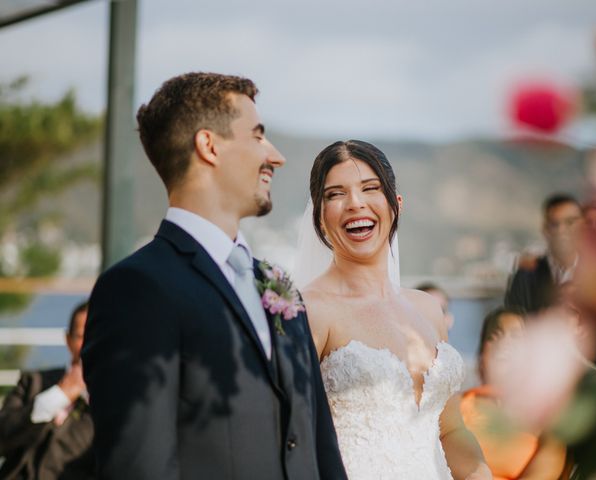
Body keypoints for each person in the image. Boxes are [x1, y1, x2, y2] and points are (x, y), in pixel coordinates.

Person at [81, 73, 346, 480]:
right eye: (258, 136)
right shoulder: (137, 290)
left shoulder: (276, 285)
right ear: (208, 146)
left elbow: (320, 448)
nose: (276, 156)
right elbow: (139, 467)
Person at [297, 140, 490, 479]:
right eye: (336, 194)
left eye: (370, 189)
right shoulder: (311, 311)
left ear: (396, 205)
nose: (355, 204)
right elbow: (293, 440)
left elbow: (450, 430)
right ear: (319, 218)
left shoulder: (428, 309)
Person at [460, 307, 567, 480]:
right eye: (494, 336)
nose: (503, 343)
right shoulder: (458, 405)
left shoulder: (549, 414)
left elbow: (548, 470)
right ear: (481, 353)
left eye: (516, 337)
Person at [0, 301, 95, 479]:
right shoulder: (33, 382)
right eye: (81, 336)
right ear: (68, 340)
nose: (87, 346)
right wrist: (60, 394)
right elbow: (3, 436)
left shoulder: (112, 400)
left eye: (94, 337)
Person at [505, 193, 583, 314]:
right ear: (545, 229)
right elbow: (513, 325)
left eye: (570, 222)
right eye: (554, 224)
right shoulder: (525, 276)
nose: (561, 231)